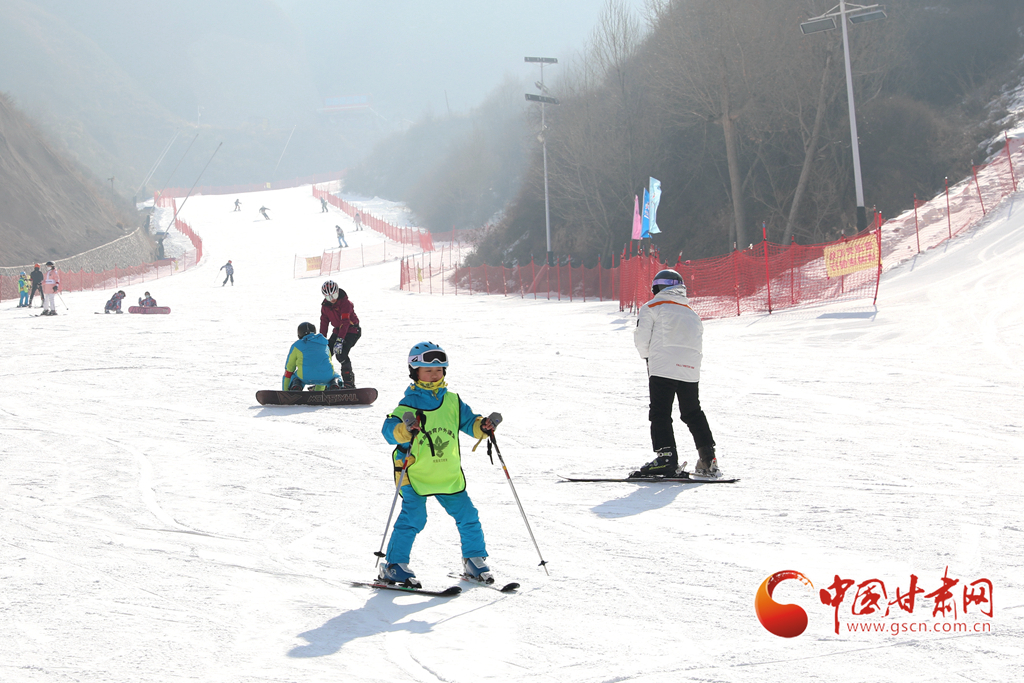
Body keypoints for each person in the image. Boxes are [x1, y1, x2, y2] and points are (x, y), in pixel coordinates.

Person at [378, 342, 501, 587]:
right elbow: (389, 431)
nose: (435, 375)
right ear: (415, 372)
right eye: (428, 371)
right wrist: (405, 429)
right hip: (415, 472)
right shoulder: (408, 405)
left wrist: (483, 426)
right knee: (414, 517)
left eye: (439, 370)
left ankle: (474, 558)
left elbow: (470, 423)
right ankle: (394, 565)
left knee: (468, 515)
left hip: (446, 473)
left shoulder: (453, 401)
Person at [633, 269, 719, 477]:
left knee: (660, 411)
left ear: (657, 288)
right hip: (690, 369)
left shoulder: (652, 307)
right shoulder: (692, 313)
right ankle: (708, 458)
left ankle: (666, 457)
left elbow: (642, 338)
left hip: (663, 366)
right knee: (692, 411)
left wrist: (648, 358)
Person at [319, 280, 361, 388]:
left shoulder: (346, 303)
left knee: (341, 354)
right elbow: (324, 323)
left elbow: (345, 322)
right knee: (325, 354)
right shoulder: (325, 306)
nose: (332, 299)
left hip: (352, 331)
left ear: (337, 292)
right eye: (329, 297)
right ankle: (324, 382)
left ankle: (349, 382)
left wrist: (340, 340)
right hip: (338, 330)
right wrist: (321, 340)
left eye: (334, 295)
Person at [282, 322, 341, 391]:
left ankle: (296, 386)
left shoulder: (296, 345)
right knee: (333, 376)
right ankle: (334, 384)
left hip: (304, 376)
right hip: (326, 376)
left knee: (295, 377)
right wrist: (318, 393)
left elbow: (289, 369)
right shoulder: (324, 344)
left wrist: (285, 392)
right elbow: (326, 363)